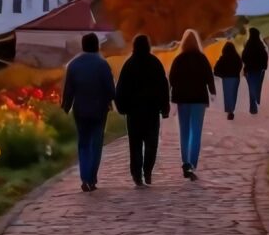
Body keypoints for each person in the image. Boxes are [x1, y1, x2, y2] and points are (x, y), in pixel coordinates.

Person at [60, 32, 117, 193]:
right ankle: (92, 178)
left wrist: (66, 106)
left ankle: (84, 177)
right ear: (97, 45)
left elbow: (69, 90)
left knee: (83, 143)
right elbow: (110, 89)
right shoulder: (102, 64)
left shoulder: (74, 65)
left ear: (83, 46)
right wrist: (113, 102)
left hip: (80, 109)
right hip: (99, 110)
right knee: (96, 144)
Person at [113, 33, 170, 187]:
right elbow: (163, 87)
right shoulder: (155, 63)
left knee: (135, 144)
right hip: (152, 111)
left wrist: (121, 107)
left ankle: (137, 174)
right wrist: (165, 108)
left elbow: (121, 88)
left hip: (134, 113)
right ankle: (148, 171)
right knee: (152, 144)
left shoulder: (129, 64)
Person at [169, 30, 215, 179]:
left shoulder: (179, 59)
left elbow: (172, 79)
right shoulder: (201, 59)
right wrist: (212, 92)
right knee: (196, 132)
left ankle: (185, 162)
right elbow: (209, 76)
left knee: (184, 132)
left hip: (182, 99)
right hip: (199, 99)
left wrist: (172, 94)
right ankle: (192, 163)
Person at [240, 28, 268, 112]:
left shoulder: (248, 45)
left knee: (251, 87)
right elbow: (265, 57)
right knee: (258, 86)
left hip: (250, 69)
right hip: (259, 69)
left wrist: (247, 64)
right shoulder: (260, 45)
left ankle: (253, 107)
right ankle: (257, 101)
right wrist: (264, 66)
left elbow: (244, 57)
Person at [215, 37, 243, 119]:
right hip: (235, 77)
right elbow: (240, 66)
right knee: (234, 93)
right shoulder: (237, 57)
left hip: (226, 78)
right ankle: (232, 109)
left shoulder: (223, 58)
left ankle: (229, 110)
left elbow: (217, 69)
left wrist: (221, 74)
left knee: (227, 94)